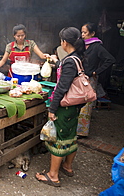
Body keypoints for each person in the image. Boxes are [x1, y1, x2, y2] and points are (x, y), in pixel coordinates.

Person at [35, 27, 85, 187]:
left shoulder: (70, 61)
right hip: (75, 105)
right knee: (71, 134)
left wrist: (52, 109)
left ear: (64, 42)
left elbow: (61, 88)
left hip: (66, 105)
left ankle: (53, 175)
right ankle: (67, 167)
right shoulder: (77, 58)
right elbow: (66, 69)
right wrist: (56, 61)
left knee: (58, 138)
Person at [77, 23, 115, 138]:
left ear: (92, 34)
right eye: (82, 32)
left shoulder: (97, 46)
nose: (82, 35)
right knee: (77, 102)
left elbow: (110, 59)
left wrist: (96, 72)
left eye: (85, 33)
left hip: (89, 80)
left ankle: (81, 132)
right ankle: (74, 129)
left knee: (86, 106)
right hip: (79, 78)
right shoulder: (81, 45)